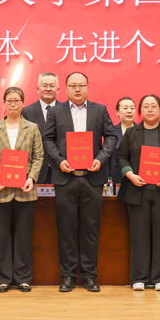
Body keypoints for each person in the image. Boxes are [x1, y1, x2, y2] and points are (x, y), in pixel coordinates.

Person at [42, 72, 118, 293]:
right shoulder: (56, 111)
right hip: (65, 178)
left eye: (81, 85)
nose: (77, 89)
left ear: (87, 87)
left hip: (92, 179)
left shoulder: (99, 110)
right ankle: (67, 276)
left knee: (90, 229)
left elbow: (111, 136)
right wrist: (59, 161)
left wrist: (100, 159)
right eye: (73, 85)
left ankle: (89, 276)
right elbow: (47, 139)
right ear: (65, 88)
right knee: (66, 229)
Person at [116, 94, 160, 291]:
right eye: (146, 106)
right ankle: (139, 277)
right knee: (139, 236)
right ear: (140, 111)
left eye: (153, 106)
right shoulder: (132, 133)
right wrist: (130, 175)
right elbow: (121, 157)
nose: (150, 109)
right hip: (137, 191)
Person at [0, 87, 44, 293]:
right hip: (0, 191)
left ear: (22, 103)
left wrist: (31, 178)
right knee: (1, 236)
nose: (13, 104)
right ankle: (3, 278)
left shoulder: (32, 128)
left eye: (17, 100)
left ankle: (23, 278)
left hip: (25, 191)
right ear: (4, 103)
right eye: (9, 100)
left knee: (23, 236)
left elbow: (38, 156)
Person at [21, 72, 61, 184]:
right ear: (38, 89)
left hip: (61, 169)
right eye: (44, 85)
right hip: (36, 172)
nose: (48, 89)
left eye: (52, 86)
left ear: (58, 89)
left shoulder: (66, 110)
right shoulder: (26, 112)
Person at [108, 96, 135, 186]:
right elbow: (107, 158)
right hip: (117, 178)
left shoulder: (143, 131)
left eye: (132, 108)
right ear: (117, 112)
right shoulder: (111, 132)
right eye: (125, 108)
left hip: (138, 178)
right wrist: (108, 179)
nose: (129, 111)